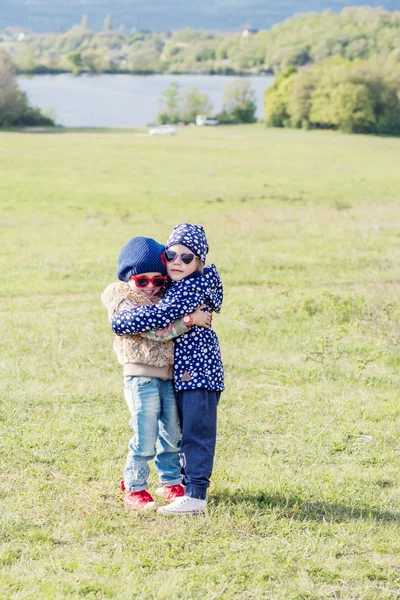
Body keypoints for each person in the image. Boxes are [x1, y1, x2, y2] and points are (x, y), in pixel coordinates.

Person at [111, 224, 224, 515]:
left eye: (187, 258)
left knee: (179, 433)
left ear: (200, 261)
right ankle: (142, 485)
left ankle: (183, 487)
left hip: (185, 373)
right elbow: (140, 325)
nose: (150, 285)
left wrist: (186, 318)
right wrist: (188, 320)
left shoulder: (183, 290)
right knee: (153, 433)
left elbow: (156, 319)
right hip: (156, 375)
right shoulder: (144, 297)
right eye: (171, 255)